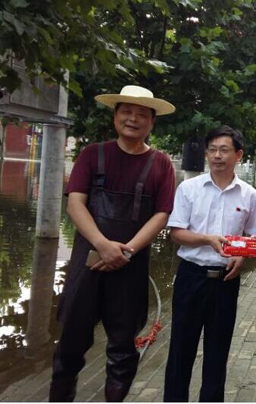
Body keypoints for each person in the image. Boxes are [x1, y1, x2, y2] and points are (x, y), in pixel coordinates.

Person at [49, 85, 177, 402]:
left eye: (142, 114)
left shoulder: (161, 164)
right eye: (126, 111)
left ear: (152, 121)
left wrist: (128, 250)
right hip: (86, 267)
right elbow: (75, 204)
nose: (133, 118)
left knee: (122, 352)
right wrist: (102, 244)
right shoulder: (92, 154)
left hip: (130, 269)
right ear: (115, 116)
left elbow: (162, 214)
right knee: (69, 348)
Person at [164, 125, 256, 402]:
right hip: (190, 277)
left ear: (238, 155)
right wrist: (207, 239)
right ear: (206, 153)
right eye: (212, 150)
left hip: (225, 281)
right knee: (180, 349)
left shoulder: (249, 195)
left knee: (218, 353)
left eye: (224, 150)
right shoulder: (189, 188)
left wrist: (243, 254)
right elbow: (176, 233)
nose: (217, 156)